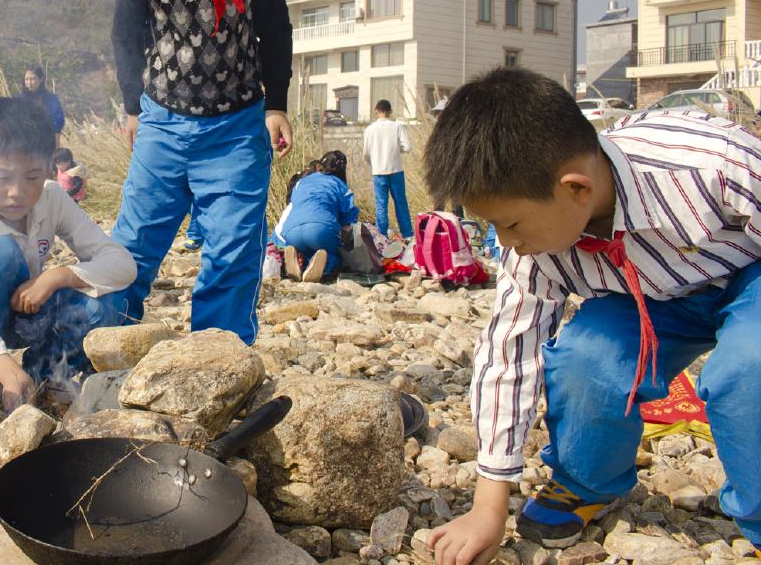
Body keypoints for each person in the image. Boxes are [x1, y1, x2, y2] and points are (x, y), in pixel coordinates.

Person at [422, 66, 761, 562]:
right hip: (648, 298)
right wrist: (489, 506)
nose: (506, 242)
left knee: (748, 367)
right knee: (587, 358)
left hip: (747, 275)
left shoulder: (710, 165)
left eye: (510, 223)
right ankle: (587, 480)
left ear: (577, 189)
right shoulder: (532, 250)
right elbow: (509, 356)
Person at [109, 0, 293, 343]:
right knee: (133, 242)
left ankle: (220, 354)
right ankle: (105, 340)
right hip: (162, 122)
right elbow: (126, 38)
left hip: (237, 126)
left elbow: (274, 29)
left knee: (233, 246)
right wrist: (132, 108)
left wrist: (275, 104)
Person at [0, 98, 135, 411]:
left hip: (20, 310)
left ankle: (41, 374)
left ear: (50, 168)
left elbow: (121, 263)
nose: (17, 191)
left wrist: (57, 276)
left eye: (32, 177)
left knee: (106, 304)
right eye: (3, 177)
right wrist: (1, 363)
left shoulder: (53, 197)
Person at [272, 151, 358, 283]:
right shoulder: (342, 187)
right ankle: (325, 262)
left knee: (306, 248)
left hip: (291, 232)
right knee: (338, 257)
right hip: (320, 231)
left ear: (319, 167)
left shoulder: (301, 182)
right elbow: (348, 225)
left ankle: (300, 260)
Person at [363, 99, 413, 240]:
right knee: (400, 203)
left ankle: (382, 236)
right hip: (396, 169)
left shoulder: (370, 129)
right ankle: (408, 235)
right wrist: (397, 150)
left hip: (379, 171)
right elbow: (407, 147)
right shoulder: (397, 126)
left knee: (381, 206)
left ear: (375, 110)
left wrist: (374, 163)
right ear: (390, 111)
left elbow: (366, 154)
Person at [17, 66, 65, 146]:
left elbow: (57, 125)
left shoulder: (52, 99)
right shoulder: (19, 98)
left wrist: (56, 149)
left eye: (32, 79)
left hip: (46, 141)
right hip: (24, 142)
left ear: (41, 79)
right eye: (26, 79)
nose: (29, 83)